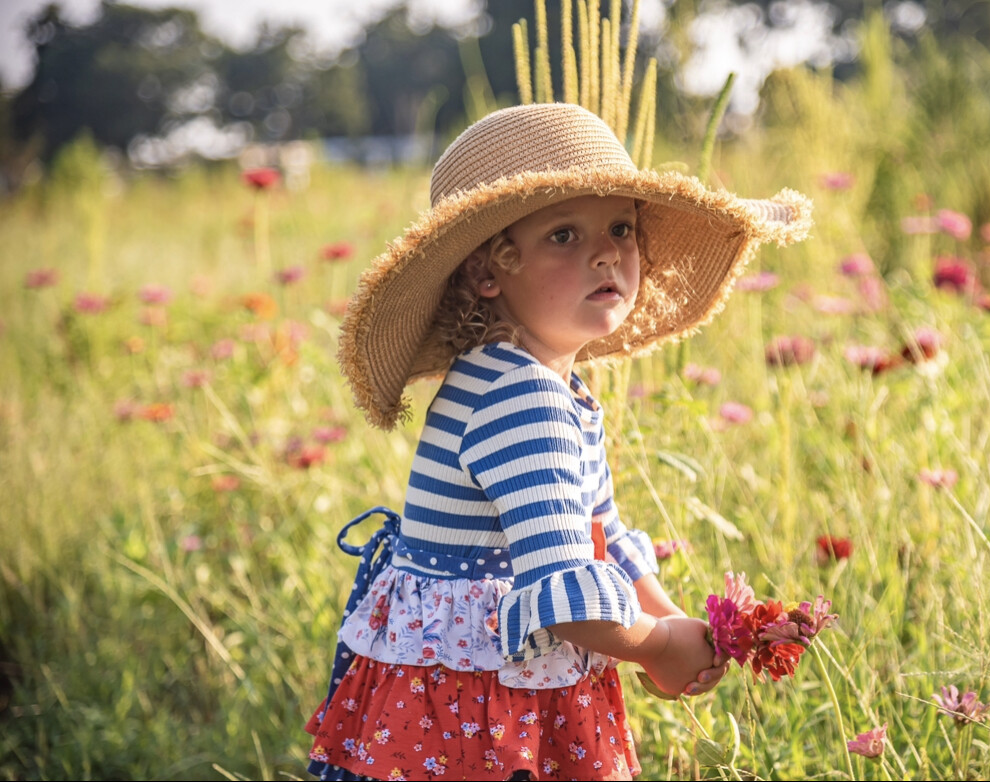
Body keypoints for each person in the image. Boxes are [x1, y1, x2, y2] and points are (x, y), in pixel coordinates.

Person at [305, 102, 811, 781]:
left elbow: (599, 534)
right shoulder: (524, 401)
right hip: (479, 710)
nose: (607, 252)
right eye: (564, 236)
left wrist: (680, 624)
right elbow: (563, 593)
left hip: (468, 689)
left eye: (621, 228)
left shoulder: (520, 379)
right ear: (489, 273)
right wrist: (656, 644)